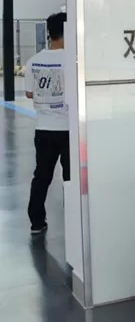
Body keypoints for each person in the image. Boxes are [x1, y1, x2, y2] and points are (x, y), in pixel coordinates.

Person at [25, 12, 69, 235]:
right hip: (68, 129)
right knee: (70, 177)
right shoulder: (71, 60)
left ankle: (36, 221)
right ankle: (74, 218)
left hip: (43, 129)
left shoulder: (33, 61)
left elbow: (29, 93)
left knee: (42, 176)